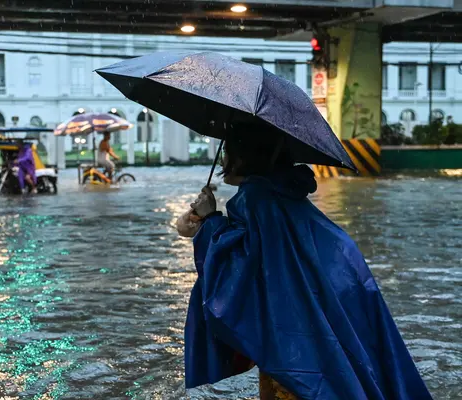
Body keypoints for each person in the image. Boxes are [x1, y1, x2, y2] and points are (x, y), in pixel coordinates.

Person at [176, 126, 432, 400]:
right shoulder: (285, 192)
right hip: (340, 290)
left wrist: (210, 221)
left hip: (293, 325)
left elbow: (238, 268)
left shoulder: (255, 199)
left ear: (243, 156)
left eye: (227, 151)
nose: (224, 160)